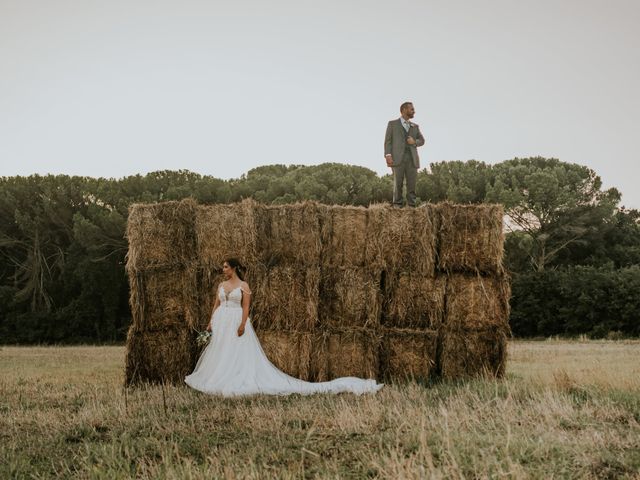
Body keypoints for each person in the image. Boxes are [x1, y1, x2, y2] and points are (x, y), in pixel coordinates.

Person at [184, 258, 383, 397]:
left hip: (236, 320)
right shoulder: (221, 285)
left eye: (226, 266)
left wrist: (243, 324)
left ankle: (232, 379)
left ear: (234, 268)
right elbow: (216, 304)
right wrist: (211, 321)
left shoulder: (244, 286)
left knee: (236, 352)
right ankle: (217, 376)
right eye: (223, 267)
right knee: (220, 350)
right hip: (221, 321)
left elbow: (246, 307)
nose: (223, 269)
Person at [384, 102, 426, 207]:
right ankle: (397, 205)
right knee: (398, 184)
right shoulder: (392, 124)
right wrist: (388, 155)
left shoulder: (415, 126)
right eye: (411, 109)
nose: (414, 111)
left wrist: (414, 142)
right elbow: (388, 141)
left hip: (412, 159)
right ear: (404, 110)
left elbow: (422, 140)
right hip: (397, 159)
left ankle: (411, 206)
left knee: (411, 184)